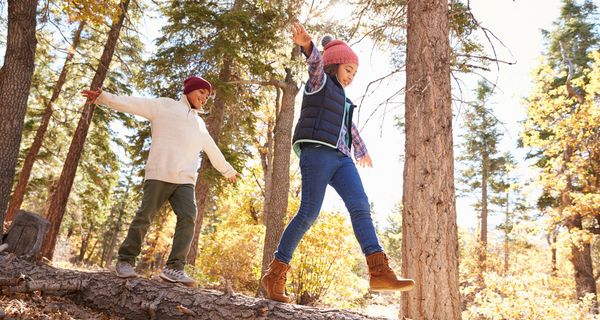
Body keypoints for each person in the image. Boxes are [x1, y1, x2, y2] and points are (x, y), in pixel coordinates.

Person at [261, 23, 415, 303]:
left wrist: (361, 150)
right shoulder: (320, 82)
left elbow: (349, 127)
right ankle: (275, 274)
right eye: (348, 71)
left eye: (354, 73)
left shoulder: (344, 98)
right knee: (308, 213)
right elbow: (316, 62)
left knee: (360, 205)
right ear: (334, 66)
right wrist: (307, 46)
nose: (351, 77)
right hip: (317, 151)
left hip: (342, 158)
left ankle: (378, 270)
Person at [81, 76, 238, 287]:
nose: (204, 98)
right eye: (201, 92)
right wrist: (103, 98)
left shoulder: (199, 124)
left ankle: (174, 268)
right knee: (145, 216)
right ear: (189, 90)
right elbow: (134, 103)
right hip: (159, 173)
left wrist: (227, 169)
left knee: (189, 217)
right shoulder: (165, 106)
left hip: (184, 180)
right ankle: (126, 261)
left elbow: (212, 149)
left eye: (208, 96)